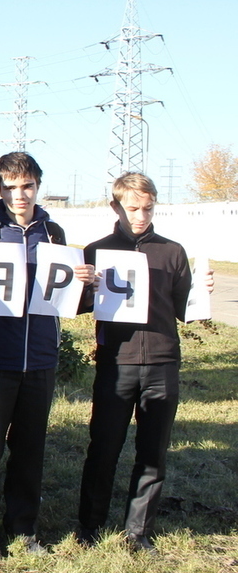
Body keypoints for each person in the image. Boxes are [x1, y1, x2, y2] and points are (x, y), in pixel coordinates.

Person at [0, 152, 95, 557]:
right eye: (11, 187)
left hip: (41, 356)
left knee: (31, 446)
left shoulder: (53, 231)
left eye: (27, 186)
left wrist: (85, 284)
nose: (20, 194)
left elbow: (68, 298)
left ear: (37, 185)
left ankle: (23, 525)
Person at [77, 173, 209, 553]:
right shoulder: (96, 250)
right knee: (103, 447)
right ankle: (90, 526)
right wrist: (85, 285)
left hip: (163, 363)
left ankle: (138, 531)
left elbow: (186, 310)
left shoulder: (172, 251)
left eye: (147, 208)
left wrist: (204, 292)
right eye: (132, 208)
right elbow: (79, 307)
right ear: (115, 207)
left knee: (153, 451)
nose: (140, 216)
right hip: (117, 364)